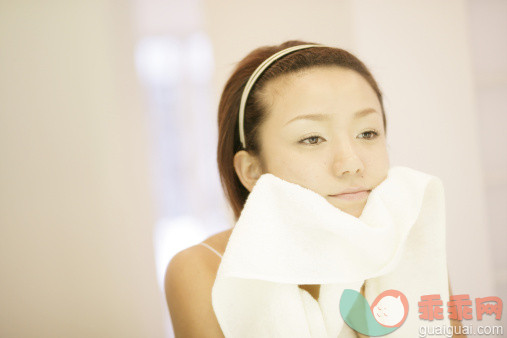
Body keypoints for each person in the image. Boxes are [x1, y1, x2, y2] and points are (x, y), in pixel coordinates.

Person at [164, 40, 464, 337]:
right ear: (252, 170)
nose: (351, 164)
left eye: (367, 132)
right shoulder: (202, 270)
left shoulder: (406, 242)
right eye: (311, 138)